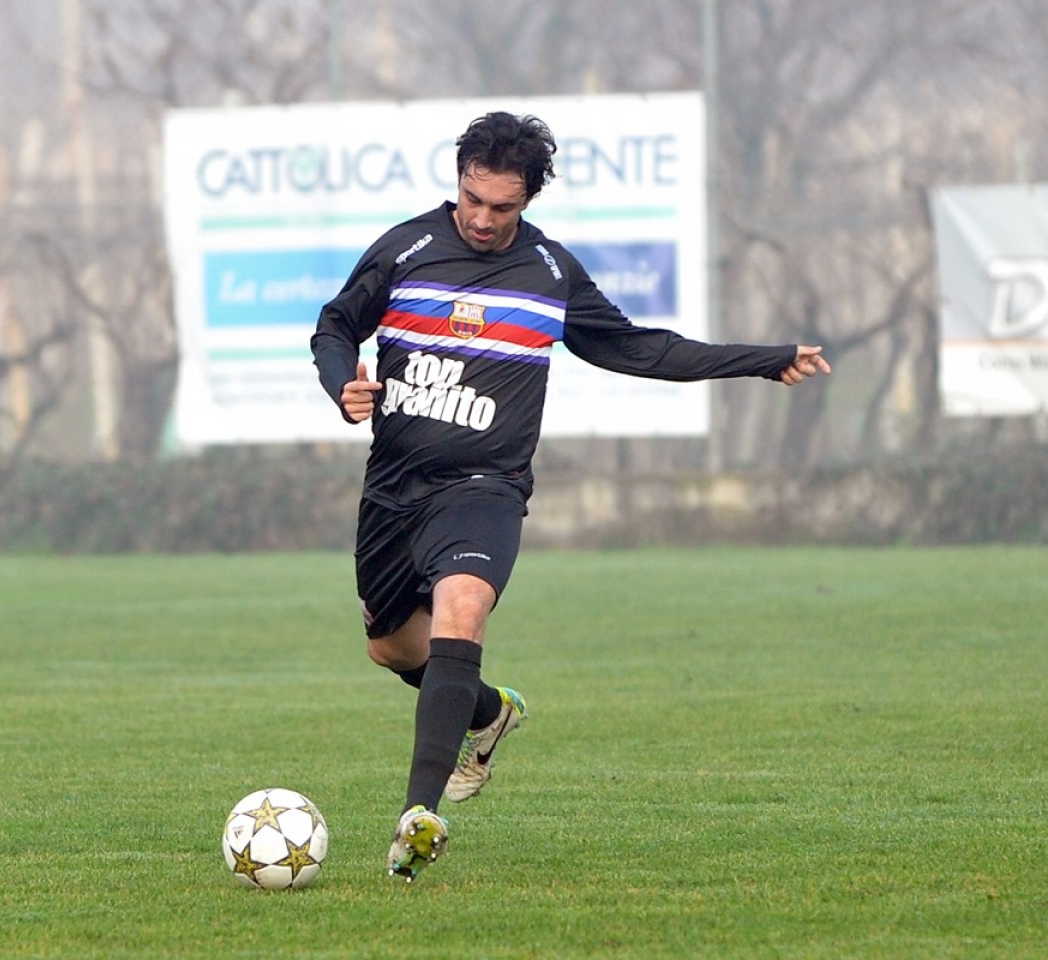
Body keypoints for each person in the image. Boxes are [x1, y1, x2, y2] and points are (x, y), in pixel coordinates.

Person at [311, 111, 830, 883]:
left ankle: (420, 815)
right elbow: (333, 326)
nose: (484, 220)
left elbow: (639, 348)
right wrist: (341, 384)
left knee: (463, 608)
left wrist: (762, 360)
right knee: (389, 647)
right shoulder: (405, 249)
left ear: (528, 201)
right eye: (472, 200)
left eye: (503, 208)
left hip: (485, 488)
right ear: (458, 181)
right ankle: (488, 714)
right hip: (393, 489)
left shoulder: (550, 272)